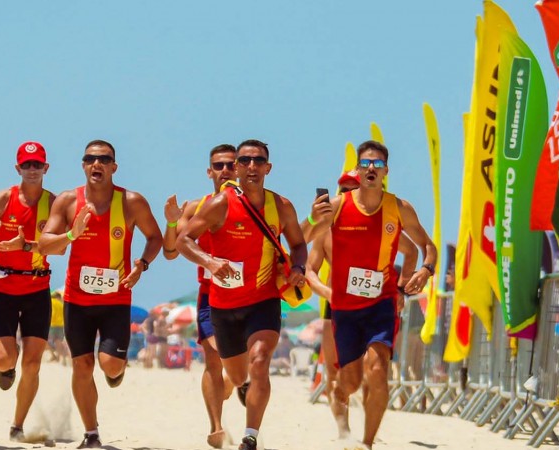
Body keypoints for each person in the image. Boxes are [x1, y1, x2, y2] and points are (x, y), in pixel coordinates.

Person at [177, 139, 308, 450]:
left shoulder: (282, 206)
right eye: (246, 160)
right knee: (237, 377)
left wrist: (299, 265)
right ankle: (235, 389)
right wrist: (209, 260)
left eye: (259, 160)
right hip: (223, 305)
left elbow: (299, 244)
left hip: (263, 299)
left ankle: (250, 436)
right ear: (236, 167)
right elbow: (184, 240)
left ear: (268, 168)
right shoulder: (219, 204)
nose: (252, 166)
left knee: (261, 360)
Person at [306, 140, 437, 449]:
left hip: (381, 303)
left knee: (377, 369)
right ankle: (339, 396)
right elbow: (302, 240)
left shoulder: (398, 209)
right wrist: (313, 217)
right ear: (356, 171)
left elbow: (423, 247)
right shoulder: (335, 212)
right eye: (365, 165)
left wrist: (418, 275)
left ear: (385, 171)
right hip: (342, 307)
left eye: (377, 165)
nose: (370, 170)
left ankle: (365, 443)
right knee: (348, 381)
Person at [38, 139, 163, 449]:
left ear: (114, 167)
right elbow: (44, 244)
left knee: (109, 364)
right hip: (77, 300)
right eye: (91, 159)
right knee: (81, 365)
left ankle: (116, 371)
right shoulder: (67, 201)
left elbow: (155, 238)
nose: (97, 164)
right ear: (83, 165)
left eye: (104, 159)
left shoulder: (132, 202)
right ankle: (91, 434)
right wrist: (71, 235)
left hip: (116, 299)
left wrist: (142, 265)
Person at [162, 143, 237, 448]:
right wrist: (170, 221)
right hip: (210, 293)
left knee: (235, 369)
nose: (225, 171)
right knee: (212, 357)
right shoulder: (196, 208)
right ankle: (216, 427)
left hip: (250, 295)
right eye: (218, 166)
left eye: (230, 165)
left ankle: (233, 382)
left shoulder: (257, 206)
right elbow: (170, 251)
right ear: (209, 172)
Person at [0, 141, 56, 442]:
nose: (31, 170)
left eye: (36, 164)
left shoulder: (53, 203)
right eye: (26, 165)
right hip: (4, 285)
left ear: (45, 168)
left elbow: (61, 246)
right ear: (17, 168)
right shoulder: (3, 198)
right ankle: (5, 369)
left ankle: (17, 424)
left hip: (38, 288)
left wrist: (27, 245)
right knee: (4, 359)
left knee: (33, 362)